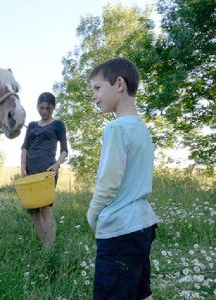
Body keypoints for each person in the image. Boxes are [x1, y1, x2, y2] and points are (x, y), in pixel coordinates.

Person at [87, 58, 158, 300]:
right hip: (143, 225)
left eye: (97, 88)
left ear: (119, 84)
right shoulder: (141, 128)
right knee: (141, 291)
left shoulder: (115, 129)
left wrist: (92, 214)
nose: (94, 96)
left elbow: (108, 182)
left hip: (119, 231)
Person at [21, 92, 68, 249]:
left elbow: (64, 150)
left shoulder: (58, 124)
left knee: (45, 209)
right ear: (37, 107)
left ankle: (50, 247)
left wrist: (57, 164)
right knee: (33, 211)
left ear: (53, 107)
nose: (44, 111)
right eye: (41, 108)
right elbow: (25, 148)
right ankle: (45, 243)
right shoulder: (32, 125)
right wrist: (22, 168)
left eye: (48, 108)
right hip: (30, 171)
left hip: (47, 170)